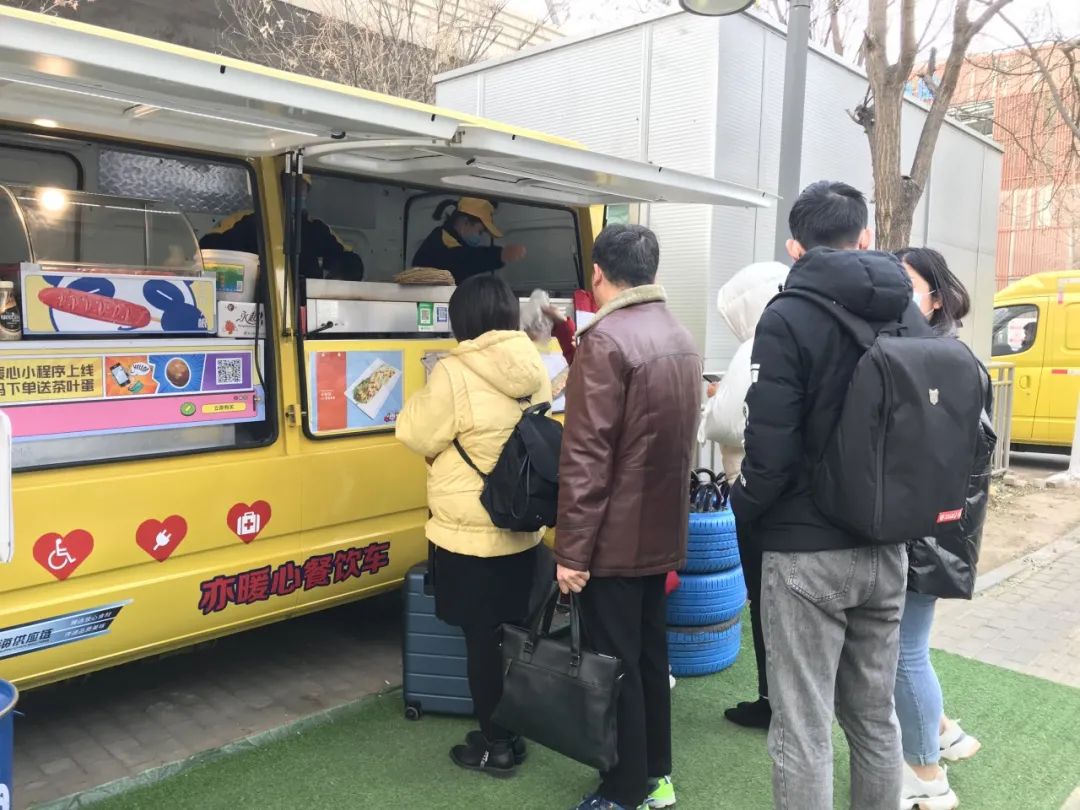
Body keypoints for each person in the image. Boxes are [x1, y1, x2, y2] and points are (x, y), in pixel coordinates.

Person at [730, 180, 933, 810]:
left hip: (805, 549)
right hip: (887, 541)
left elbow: (769, 450)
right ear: (865, 236)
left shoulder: (787, 316)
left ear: (795, 246)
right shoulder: (907, 312)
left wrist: (744, 509)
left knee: (803, 726)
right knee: (874, 719)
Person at [555, 224, 702, 810]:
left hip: (614, 538)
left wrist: (571, 552)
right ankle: (655, 776)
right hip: (661, 529)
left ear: (597, 274)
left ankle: (624, 788)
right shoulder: (679, 334)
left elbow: (585, 455)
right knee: (647, 655)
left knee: (614, 664)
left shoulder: (606, 339)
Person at [395, 275, 550, 778]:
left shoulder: (452, 371)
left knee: (482, 643)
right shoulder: (534, 364)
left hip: (470, 533)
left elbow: (414, 432)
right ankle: (514, 733)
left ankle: (494, 746)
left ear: (461, 320)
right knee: (514, 638)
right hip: (523, 525)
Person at [894, 247, 994, 810]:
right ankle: (942, 733)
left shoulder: (941, 360)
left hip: (927, 529)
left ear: (935, 297)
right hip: (939, 526)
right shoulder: (945, 353)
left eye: (906, 282)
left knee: (903, 651)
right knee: (909, 647)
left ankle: (925, 775)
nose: (897, 292)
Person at [699, 260, 789, 730]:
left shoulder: (757, 345)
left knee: (765, 602)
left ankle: (773, 701)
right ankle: (785, 701)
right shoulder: (808, 333)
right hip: (801, 500)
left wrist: (714, 398)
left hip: (755, 493)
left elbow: (728, 421)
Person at [200, 174, 364, 282]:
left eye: (301, 188)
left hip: (304, 310)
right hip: (259, 305)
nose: (296, 193)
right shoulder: (247, 220)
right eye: (289, 186)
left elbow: (351, 263)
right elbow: (207, 248)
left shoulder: (318, 229)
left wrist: (333, 280)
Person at [412, 197, 527, 285]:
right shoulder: (441, 242)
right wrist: (499, 255)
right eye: (480, 231)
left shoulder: (451, 240)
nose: (480, 237)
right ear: (466, 222)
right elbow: (463, 260)